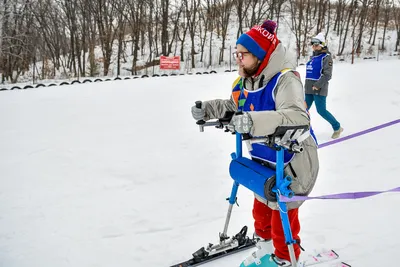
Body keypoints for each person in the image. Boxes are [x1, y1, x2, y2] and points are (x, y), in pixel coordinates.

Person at [191, 20, 319, 267]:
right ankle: (264, 251)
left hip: (294, 160)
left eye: (243, 54)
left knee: (283, 217)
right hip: (265, 160)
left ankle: (284, 259)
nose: (238, 59)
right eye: (236, 54)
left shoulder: (285, 80)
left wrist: (250, 121)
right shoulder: (243, 83)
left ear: (260, 55)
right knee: (260, 214)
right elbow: (233, 107)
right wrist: (207, 109)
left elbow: (297, 117)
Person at [305, 33, 343, 139]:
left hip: (319, 88)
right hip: (308, 89)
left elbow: (327, 75)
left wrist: (317, 85)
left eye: (316, 44)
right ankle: (301, 130)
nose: (314, 46)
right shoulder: (313, 57)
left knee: (321, 111)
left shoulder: (326, 57)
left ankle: (337, 127)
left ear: (322, 45)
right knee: (303, 109)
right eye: (312, 44)